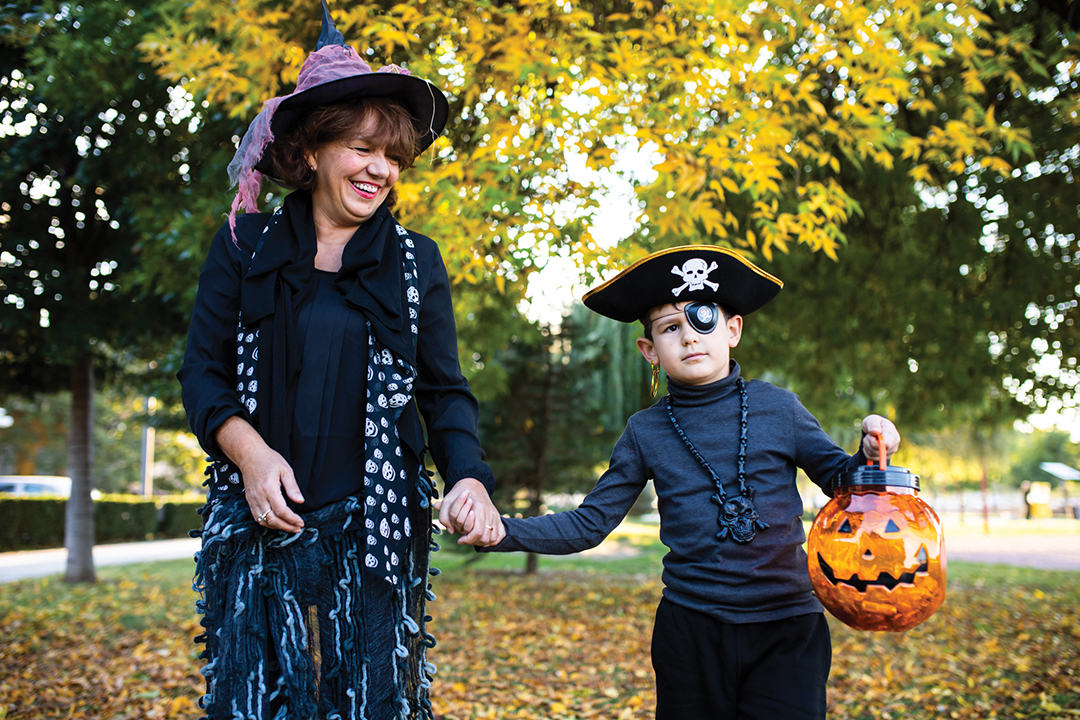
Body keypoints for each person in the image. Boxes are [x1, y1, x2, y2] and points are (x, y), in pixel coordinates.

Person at [177, 5, 504, 718]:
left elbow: (445, 393)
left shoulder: (417, 262)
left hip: (378, 531)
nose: (380, 168)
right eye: (361, 147)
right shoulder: (243, 245)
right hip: (260, 522)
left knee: (372, 704)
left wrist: (470, 477)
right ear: (313, 152)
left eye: (392, 155)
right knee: (258, 701)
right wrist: (251, 455)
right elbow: (201, 374)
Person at [464, 245, 901, 720]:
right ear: (649, 349)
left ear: (732, 329)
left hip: (788, 628)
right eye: (671, 327)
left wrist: (872, 449)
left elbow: (843, 483)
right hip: (690, 633)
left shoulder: (780, 408)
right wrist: (502, 531)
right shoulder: (644, 432)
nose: (690, 336)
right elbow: (591, 524)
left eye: (703, 319)